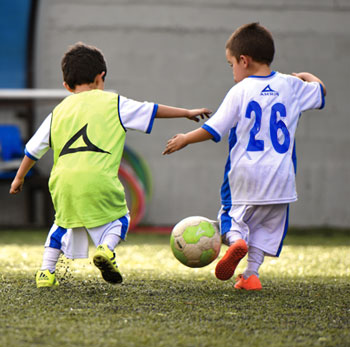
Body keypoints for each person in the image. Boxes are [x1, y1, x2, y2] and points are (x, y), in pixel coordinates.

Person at [9, 42, 211, 288]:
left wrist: (19, 178)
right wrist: (186, 112)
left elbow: (33, 149)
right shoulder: (113, 102)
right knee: (120, 219)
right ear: (100, 76)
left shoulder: (58, 110)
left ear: (66, 86)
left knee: (61, 225)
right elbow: (152, 109)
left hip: (62, 183)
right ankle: (106, 248)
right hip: (99, 180)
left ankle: (45, 272)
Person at [163, 22, 326, 290]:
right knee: (265, 229)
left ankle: (236, 240)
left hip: (245, 176)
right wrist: (308, 76)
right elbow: (321, 93)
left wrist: (184, 139)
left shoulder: (240, 91)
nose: (232, 72)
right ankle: (251, 274)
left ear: (243, 60)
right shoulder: (291, 86)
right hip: (281, 179)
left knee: (230, 217)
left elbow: (214, 128)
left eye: (231, 65)